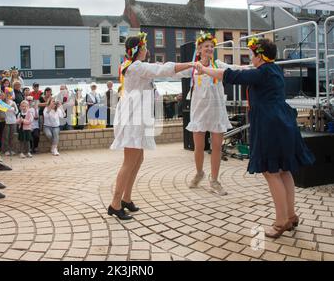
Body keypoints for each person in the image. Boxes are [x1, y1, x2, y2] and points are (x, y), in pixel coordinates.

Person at [197, 37, 315, 238]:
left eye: (252, 54)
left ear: (260, 56)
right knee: (284, 170)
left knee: (271, 172)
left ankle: (280, 222)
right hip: (283, 122)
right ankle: (291, 215)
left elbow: (228, 75)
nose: (251, 57)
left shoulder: (262, 72)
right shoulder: (274, 69)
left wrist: (204, 69)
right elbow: (239, 73)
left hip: (270, 125)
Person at [108, 33, 196, 220]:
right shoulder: (136, 66)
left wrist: (194, 69)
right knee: (129, 161)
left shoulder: (138, 66)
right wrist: (191, 64)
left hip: (139, 116)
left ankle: (126, 199)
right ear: (139, 50)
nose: (147, 50)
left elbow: (166, 70)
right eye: (145, 47)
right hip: (133, 118)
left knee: (137, 160)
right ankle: (114, 204)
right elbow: (162, 70)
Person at [180, 31, 245, 196]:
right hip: (199, 112)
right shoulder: (193, 67)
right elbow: (175, 70)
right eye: (206, 46)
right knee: (199, 147)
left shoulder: (218, 65)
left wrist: (250, 67)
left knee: (216, 147)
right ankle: (199, 172)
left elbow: (235, 69)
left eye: (211, 46)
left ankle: (214, 180)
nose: (209, 49)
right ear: (199, 49)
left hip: (216, 112)